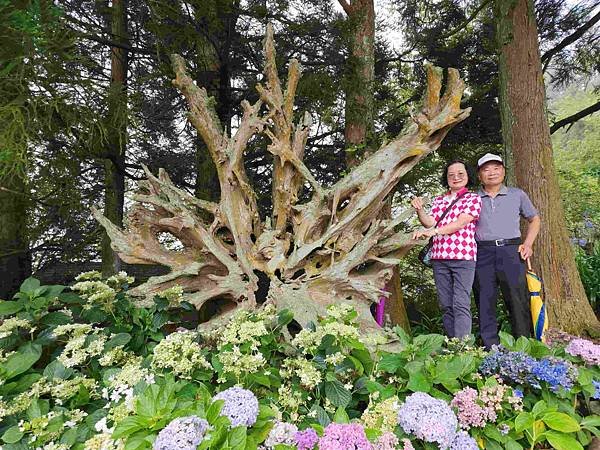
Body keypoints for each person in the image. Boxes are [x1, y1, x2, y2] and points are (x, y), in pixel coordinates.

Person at [474, 153, 541, 349]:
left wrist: (528, 244)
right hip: (482, 253)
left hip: (512, 251)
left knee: (517, 298)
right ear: (479, 175)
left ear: (503, 171)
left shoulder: (517, 194)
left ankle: (522, 345)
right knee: (485, 300)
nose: (491, 173)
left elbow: (534, 219)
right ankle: (490, 349)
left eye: (496, 168)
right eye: (486, 169)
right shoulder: (472, 198)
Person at [411, 160, 482, 339]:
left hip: (463, 258)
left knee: (460, 303)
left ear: (468, 176)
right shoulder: (440, 199)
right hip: (439, 258)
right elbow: (431, 222)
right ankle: (452, 344)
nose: (455, 178)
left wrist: (432, 231)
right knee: (445, 304)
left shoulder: (473, 198)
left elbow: (460, 223)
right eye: (451, 175)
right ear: (446, 178)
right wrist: (419, 210)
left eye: (460, 174)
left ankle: (463, 347)